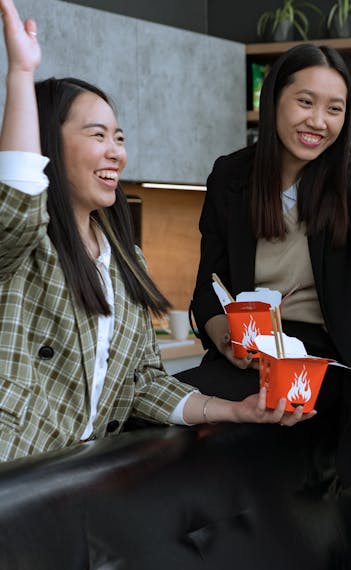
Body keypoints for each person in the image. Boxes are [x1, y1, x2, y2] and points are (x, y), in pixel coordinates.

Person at [0, 0, 313, 464]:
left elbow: (143, 383)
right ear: (48, 142)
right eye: (97, 135)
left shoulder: (126, 259)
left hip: (71, 484)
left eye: (119, 137)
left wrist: (235, 410)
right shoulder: (23, 246)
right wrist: (21, 76)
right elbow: (17, 206)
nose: (116, 153)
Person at [177, 44, 351, 486]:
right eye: (305, 102)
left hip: (326, 358)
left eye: (334, 109)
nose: (319, 121)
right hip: (247, 353)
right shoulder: (230, 176)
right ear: (274, 98)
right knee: (165, 408)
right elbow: (209, 286)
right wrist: (226, 340)